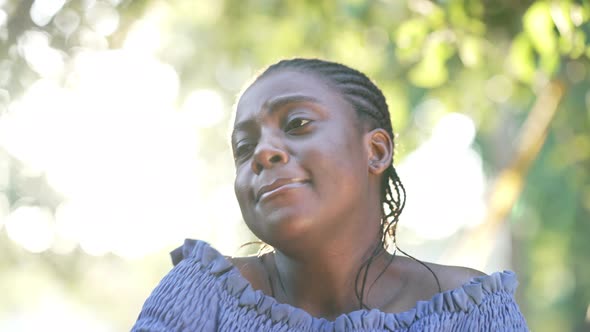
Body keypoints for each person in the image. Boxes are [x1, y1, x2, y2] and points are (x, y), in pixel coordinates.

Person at [131, 58, 528, 331]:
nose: (264, 153)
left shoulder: (472, 310)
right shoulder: (203, 292)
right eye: (243, 147)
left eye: (298, 123)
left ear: (375, 151)